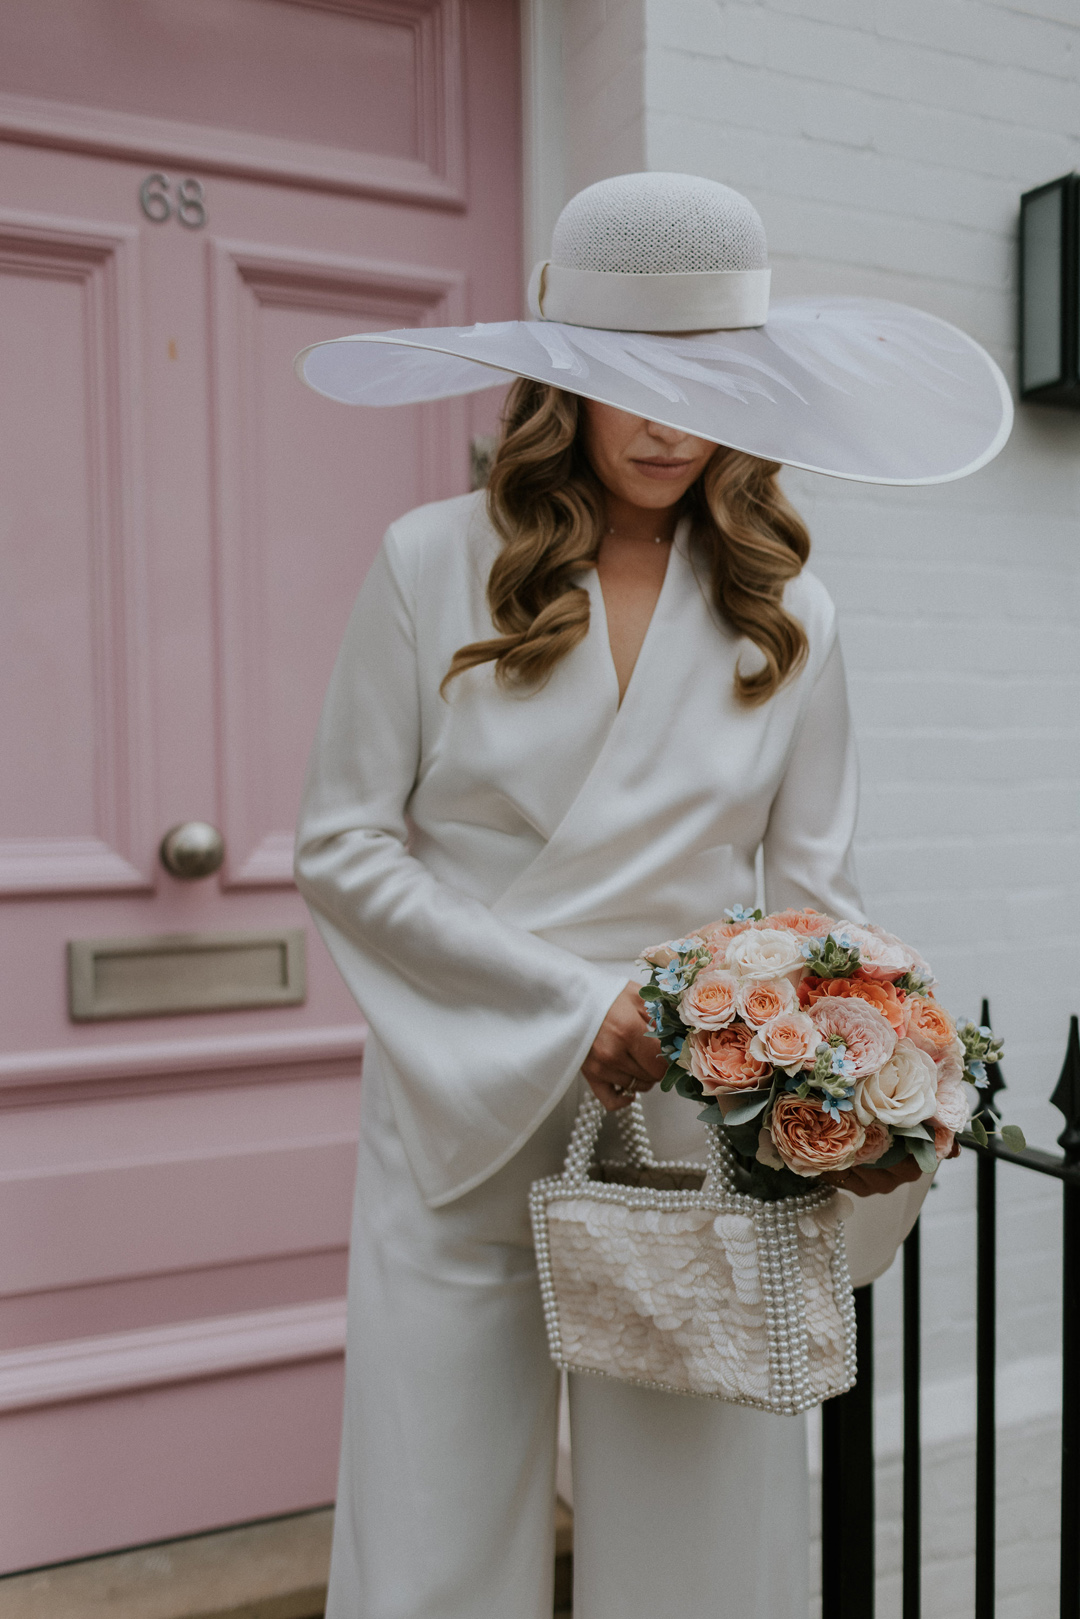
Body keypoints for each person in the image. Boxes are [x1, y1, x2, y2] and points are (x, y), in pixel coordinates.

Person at [293, 174, 1011, 1619]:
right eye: (629, 379)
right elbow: (346, 848)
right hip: (461, 1097)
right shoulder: (433, 565)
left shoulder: (790, 610)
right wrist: (576, 1013)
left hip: (695, 1113)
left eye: (708, 378)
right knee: (430, 1533)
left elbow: (817, 901)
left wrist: (875, 1082)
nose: (668, 423)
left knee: (702, 1549)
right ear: (559, 378)